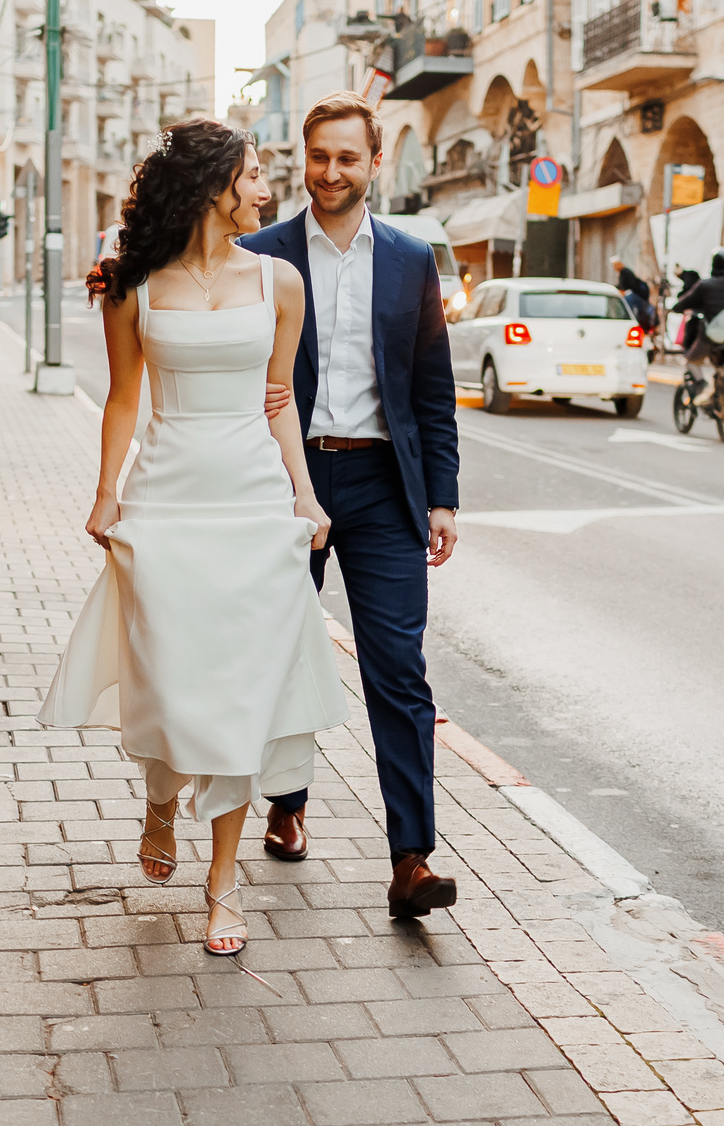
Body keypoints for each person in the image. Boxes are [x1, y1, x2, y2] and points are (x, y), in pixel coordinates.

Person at [38, 119, 348, 957]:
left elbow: (279, 401)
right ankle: (160, 797)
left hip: (251, 504)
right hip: (166, 499)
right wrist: (105, 494)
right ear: (214, 185)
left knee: (241, 693)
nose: (265, 189)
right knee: (172, 678)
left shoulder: (281, 283)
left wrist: (306, 496)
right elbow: (122, 400)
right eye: (253, 175)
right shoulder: (133, 286)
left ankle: (224, 884)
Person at [239, 92, 463, 921]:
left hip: (381, 488)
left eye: (348, 157)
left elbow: (431, 390)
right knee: (278, 651)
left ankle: (411, 857)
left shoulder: (411, 259)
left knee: (398, 671)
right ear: (304, 159)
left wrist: (441, 496)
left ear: (377, 163)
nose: (331, 172)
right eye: (319, 156)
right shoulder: (258, 255)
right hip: (282, 482)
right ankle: (286, 802)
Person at [670, 248, 724, 402]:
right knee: (723, 368)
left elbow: (685, 302)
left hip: (710, 337)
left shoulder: (705, 286)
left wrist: (675, 308)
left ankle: (703, 388)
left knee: (691, 361)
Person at [612, 256, 656, 336]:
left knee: (632, 309)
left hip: (637, 295)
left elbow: (626, 285)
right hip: (639, 295)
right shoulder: (625, 272)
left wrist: (620, 289)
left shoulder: (624, 272)